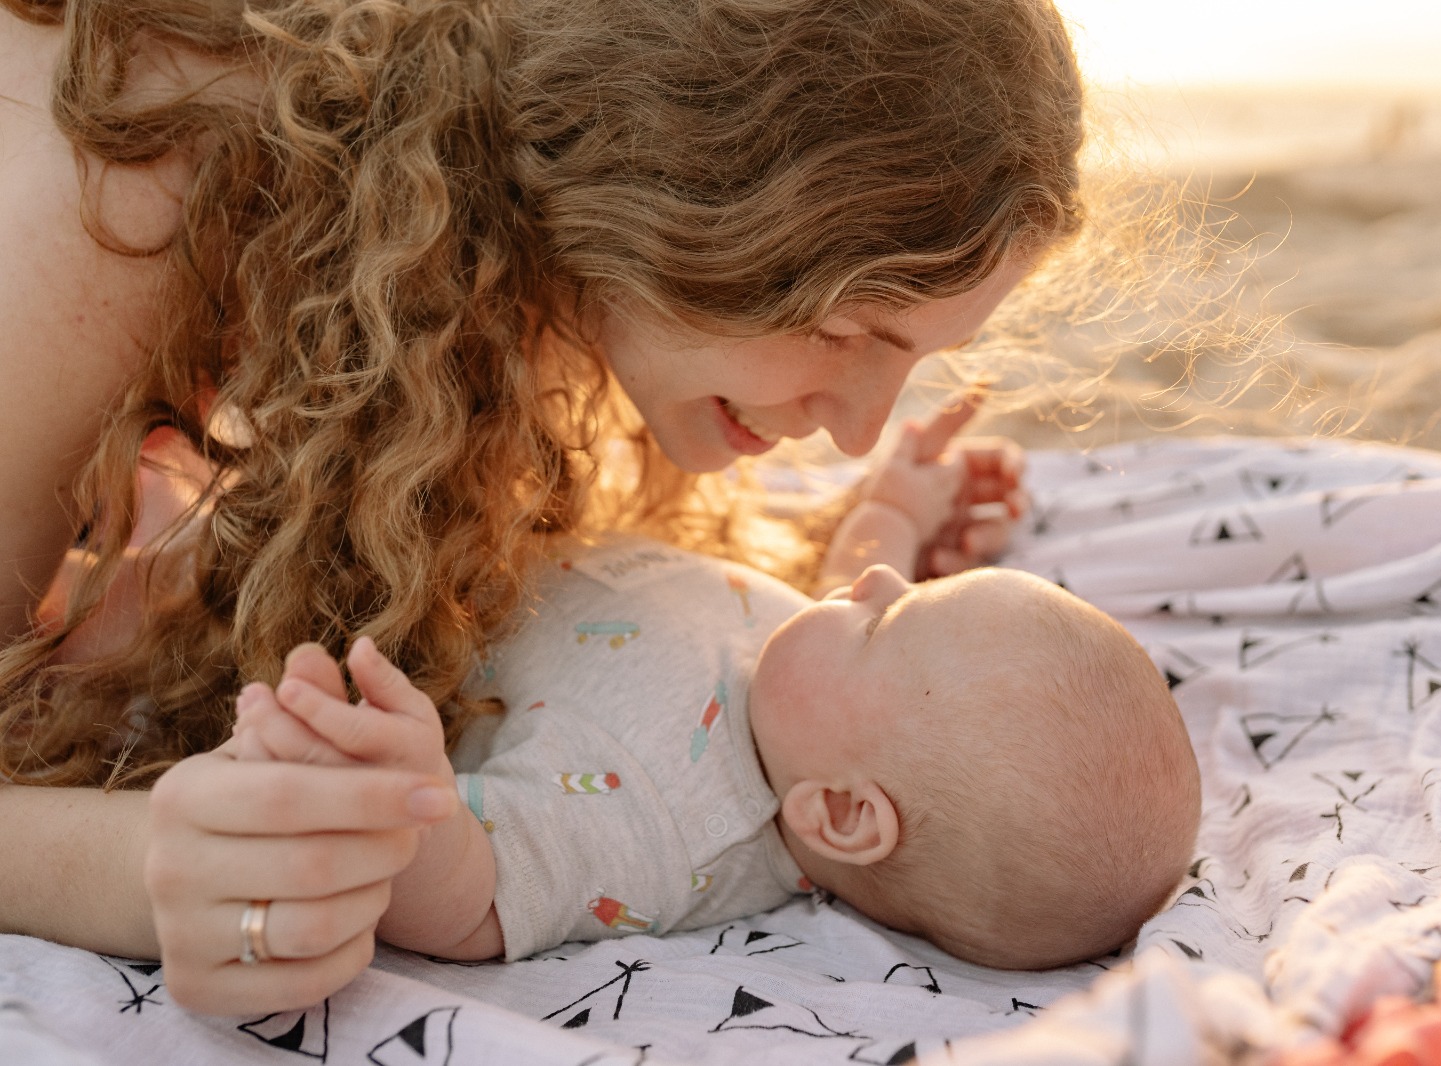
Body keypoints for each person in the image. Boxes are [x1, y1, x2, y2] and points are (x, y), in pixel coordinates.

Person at [0, 0, 1084, 1014]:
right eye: (846, 331)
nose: (859, 430)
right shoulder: (131, 173)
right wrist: (139, 867)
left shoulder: (471, 233)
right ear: (679, 185)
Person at [230, 409, 1201, 972]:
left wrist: (403, 800)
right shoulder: (815, 697)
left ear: (844, 813)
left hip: (334, 615)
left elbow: (480, 902)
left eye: (889, 618)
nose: (873, 584)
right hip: (426, 529)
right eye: (918, 588)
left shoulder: (663, 822)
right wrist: (898, 506)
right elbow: (859, 567)